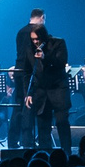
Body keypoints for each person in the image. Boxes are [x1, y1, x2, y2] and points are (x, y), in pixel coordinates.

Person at [12, 9, 71, 150]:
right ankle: (45, 155)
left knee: (62, 123)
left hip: (58, 91)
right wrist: (28, 93)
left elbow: (61, 62)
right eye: (33, 40)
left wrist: (46, 58)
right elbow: (27, 73)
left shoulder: (58, 43)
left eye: (37, 39)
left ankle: (66, 153)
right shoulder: (30, 49)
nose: (35, 42)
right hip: (40, 93)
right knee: (43, 127)